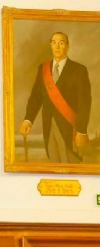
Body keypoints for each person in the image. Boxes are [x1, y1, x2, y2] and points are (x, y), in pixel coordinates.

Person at [20, 31, 92, 165]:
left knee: (71, 165)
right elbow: (36, 97)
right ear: (50, 45)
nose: (57, 46)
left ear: (68, 46)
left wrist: (82, 131)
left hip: (70, 129)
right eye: (54, 42)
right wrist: (28, 119)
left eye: (61, 42)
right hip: (49, 126)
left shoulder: (79, 70)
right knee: (54, 165)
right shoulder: (43, 69)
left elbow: (85, 102)